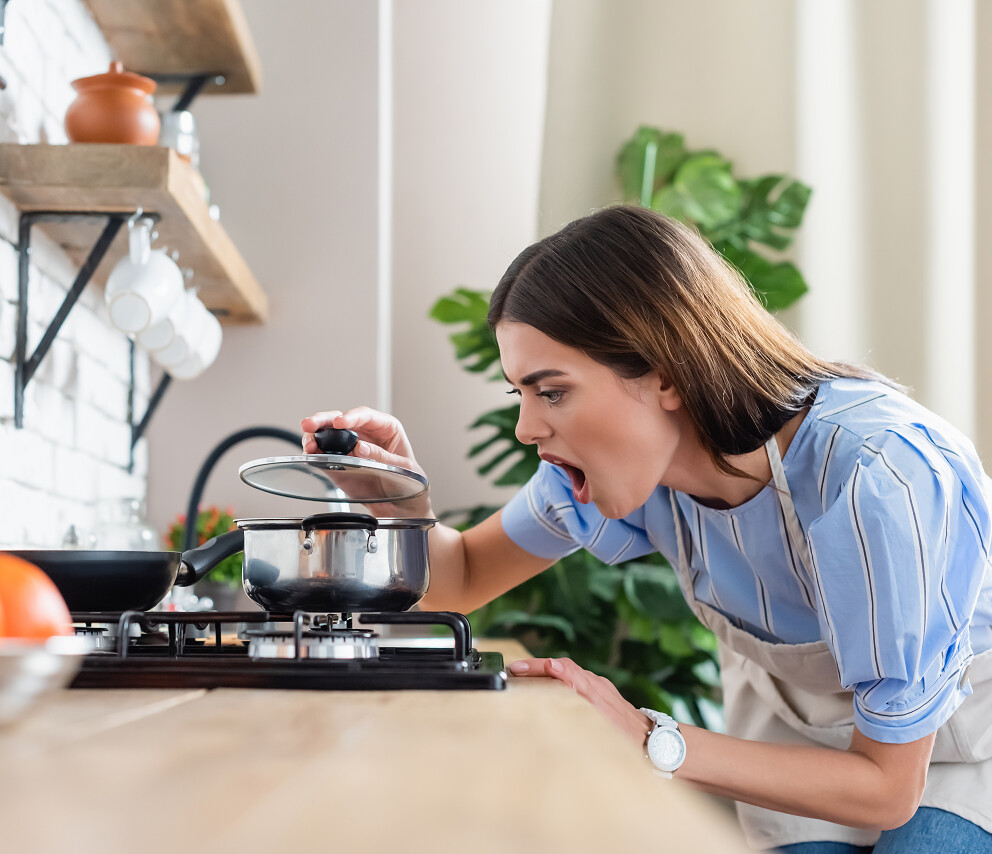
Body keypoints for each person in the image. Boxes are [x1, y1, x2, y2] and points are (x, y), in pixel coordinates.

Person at [300, 206, 992, 852]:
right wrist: (395, 498)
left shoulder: (876, 477)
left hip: (959, 749)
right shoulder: (634, 473)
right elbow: (463, 580)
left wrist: (646, 736)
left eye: (553, 391)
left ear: (665, 374)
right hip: (798, 744)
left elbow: (887, 789)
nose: (526, 427)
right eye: (522, 394)